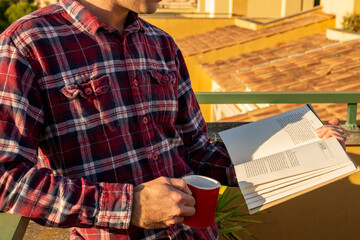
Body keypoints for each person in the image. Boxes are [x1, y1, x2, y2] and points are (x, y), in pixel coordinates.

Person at [0, 0, 347, 239]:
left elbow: (196, 153)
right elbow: (7, 179)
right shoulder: (27, 44)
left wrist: (304, 148)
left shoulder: (161, 44)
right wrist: (130, 205)